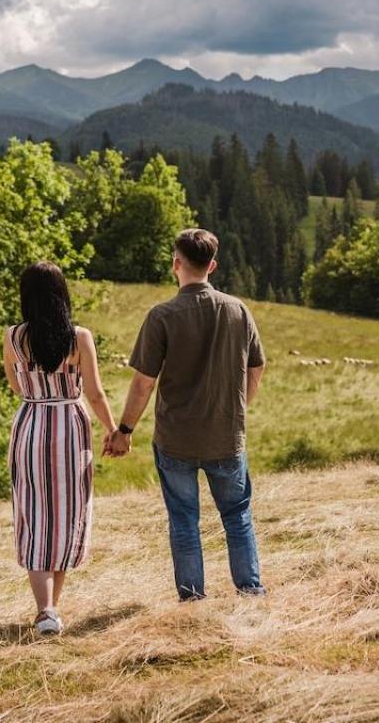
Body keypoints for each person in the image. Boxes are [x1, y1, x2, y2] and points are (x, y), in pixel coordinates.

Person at [105, 228, 267, 601]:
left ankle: (193, 597)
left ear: (176, 264)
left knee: (183, 520)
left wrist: (124, 430)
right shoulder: (238, 310)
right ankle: (250, 589)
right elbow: (256, 369)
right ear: (212, 265)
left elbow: (144, 382)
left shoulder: (162, 316)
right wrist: (235, 410)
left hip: (176, 439)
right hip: (226, 436)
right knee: (237, 515)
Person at [3, 261, 118, 636]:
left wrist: (39, 395)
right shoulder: (79, 337)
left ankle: (45, 610)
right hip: (70, 425)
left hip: (31, 424)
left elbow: (16, 387)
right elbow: (96, 393)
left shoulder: (12, 338)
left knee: (33, 513)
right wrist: (114, 430)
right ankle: (53, 608)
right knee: (68, 513)